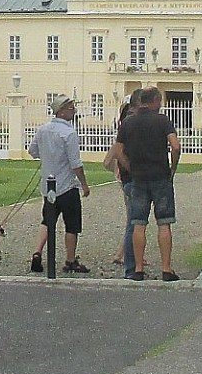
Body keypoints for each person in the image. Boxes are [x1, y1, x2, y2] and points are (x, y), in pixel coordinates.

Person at [118, 86, 183, 282]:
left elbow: (119, 150)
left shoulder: (128, 122)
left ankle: (137, 268)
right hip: (160, 176)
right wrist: (173, 167)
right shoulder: (162, 120)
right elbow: (175, 146)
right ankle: (166, 268)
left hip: (138, 177)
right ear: (155, 101)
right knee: (164, 223)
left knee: (138, 223)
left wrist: (129, 167)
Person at [25, 98, 91, 275]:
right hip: (67, 186)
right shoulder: (69, 133)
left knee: (47, 220)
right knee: (72, 225)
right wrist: (84, 184)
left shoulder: (43, 129)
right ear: (61, 111)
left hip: (49, 187)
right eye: (71, 108)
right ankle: (70, 260)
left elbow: (33, 151)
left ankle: (37, 252)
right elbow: (75, 163)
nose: (74, 111)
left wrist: (48, 157)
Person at [106, 94, 138, 275]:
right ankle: (126, 255)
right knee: (133, 219)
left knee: (132, 217)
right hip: (127, 176)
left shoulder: (123, 124)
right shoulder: (128, 126)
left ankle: (126, 252)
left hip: (123, 175)